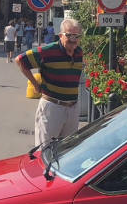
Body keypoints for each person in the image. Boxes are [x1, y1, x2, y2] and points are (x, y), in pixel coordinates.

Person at [17, 18, 84, 146]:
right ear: (60, 35)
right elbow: (20, 60)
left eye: (76, 36)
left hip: (73, 108)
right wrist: (36, 84)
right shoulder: (47, 50)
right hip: (52, 108)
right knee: (45, 150)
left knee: (68, 150)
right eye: (69, 35)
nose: (73, 39)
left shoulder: (79, 52)